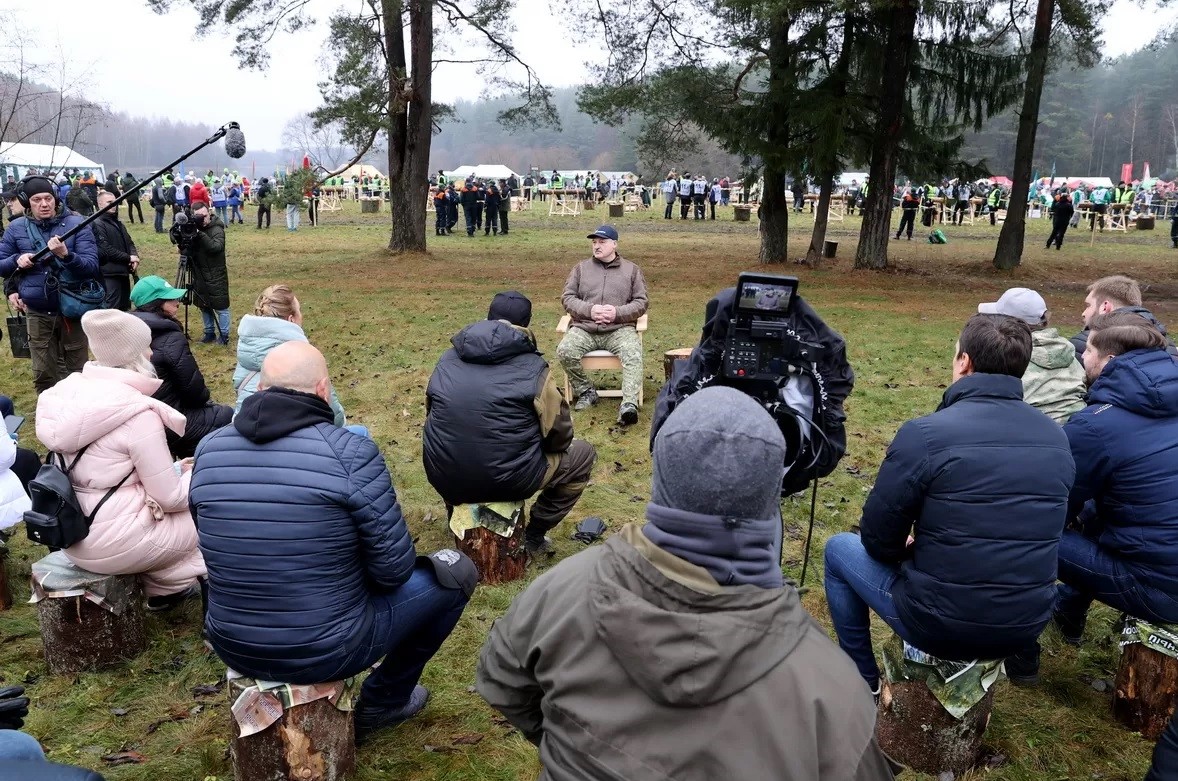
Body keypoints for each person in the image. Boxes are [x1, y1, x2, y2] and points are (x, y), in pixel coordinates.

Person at [477, 387, 894, 781]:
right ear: (773, 495)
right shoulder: (832, 694)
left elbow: (502, 683)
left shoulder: (560, 591)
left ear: (660, 479)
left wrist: (571, 748)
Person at [190, 341, 472, 743]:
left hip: (231, 642)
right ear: (323, 390)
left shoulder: (209, 447)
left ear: (259, 387)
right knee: (456, 571)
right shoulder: (351, 451)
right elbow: (394, 570)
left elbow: (209, 538)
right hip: (329, 647)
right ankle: (385, 701)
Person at [823, 314, 1075, 693]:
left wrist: (905, 551)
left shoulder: (925, 435)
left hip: (942, 624)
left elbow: (877, 538)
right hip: (1028, 621)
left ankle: (862, 680)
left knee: (838, 550)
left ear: (964, 362)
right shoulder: (1057, 437)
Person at [1007, 312, 1178, 683]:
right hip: (1162, 558)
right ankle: (1069, 617)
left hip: (1159, 587)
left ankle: (1020, 657)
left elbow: (1052, 504)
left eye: (1088, 351)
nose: (1080, 357)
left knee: (1019, 534)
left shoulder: (1097, 424)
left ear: (1111, 361)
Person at [35, 309, 206, 609]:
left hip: (72, 533)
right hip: (118, 542)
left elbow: (110, 472)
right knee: (209, 515)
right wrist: (199, 474)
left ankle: (167, 590)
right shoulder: (136, 414)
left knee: (168, 517)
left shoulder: (66, 397)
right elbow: (169, 497)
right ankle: (191, 589)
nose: (153, 352)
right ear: (136, 355)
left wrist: (176, 468)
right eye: (147, 346)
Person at [424, 292, 597, 557]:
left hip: (444, 474)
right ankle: (534, 534)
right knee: (583, 455)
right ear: (527, 324)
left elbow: (433, 416)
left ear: (487, 317)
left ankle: (457, 519)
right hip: (513, 479)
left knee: (453, 450)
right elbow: (560, 435)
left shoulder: (446, 360)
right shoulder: (535, 368)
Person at [0, 176, 100, 393]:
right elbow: (2, 264)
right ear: (27, 202)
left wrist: (66, 255)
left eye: (48, 198)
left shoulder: (77, 224)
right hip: (37, 311)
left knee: (77, 371)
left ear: (55, 198)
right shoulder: (16, 228)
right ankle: (50, 417)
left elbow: (92, 266)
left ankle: (80, 415)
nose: (44, 204)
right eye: (36, 200)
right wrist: (16, 259)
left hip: (72, 308)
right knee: (43, 372)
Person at [130, 276, 233, 458]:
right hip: (167, 418)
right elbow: (195, 392)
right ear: (157, 303)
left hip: (136, 418)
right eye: (171, 298)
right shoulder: (169, 336)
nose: (178, 302)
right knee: (226, 416)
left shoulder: (126, 332)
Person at [557, 226, 649, 427]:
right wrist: (590, 311)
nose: (597, 246)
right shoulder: (581, 269)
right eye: (594, 242)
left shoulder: (631, 270)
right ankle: (586, 391)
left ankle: (629, 404)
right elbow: (568, 298)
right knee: (565, 350)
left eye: (602, 242)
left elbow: (641, 303)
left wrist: (617, 313)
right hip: (585, 328)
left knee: (633, 352)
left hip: (619, 329)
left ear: (614, 244)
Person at [233, 284, 349, 425]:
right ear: (291, 320)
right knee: (360, 433)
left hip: (247, 434)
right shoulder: (305, 360)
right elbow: (336, 419)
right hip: (304, 439)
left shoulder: (247, 355)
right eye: (299, 311)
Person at [978, 288, 1085, 423]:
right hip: (1077, 429)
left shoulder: (1007, 357)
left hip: (1029, 433)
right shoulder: (1066, 351)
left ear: (1008, 323)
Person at [1068, 275, 1177, 361]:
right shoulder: (1168, 348)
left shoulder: (1086, 344)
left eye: (1088, 306)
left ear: (1105, 307)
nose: (1083, 313)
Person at [183, 201, 231, 345]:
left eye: (204, 215)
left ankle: (224, 335)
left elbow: (216, 247)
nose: (203, 219)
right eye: (198, 217)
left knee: (221, 306)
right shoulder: (192, 228)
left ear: (209, 212)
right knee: (204, 304)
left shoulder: (217, 229)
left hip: (215, 273)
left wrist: (199, 234)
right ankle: (209, 332)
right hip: (198, 272)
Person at [91, 190, 139, 311]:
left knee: (125, 308)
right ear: (100, 204)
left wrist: (134, 256)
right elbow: (105, 248)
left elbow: (129, 242)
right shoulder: (97, 223)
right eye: (109, 202)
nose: (114, 205)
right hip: (109, 274)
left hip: (123, 272)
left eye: (116, 202)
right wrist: (128, 258)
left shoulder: (117, 223)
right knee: (112, 310)